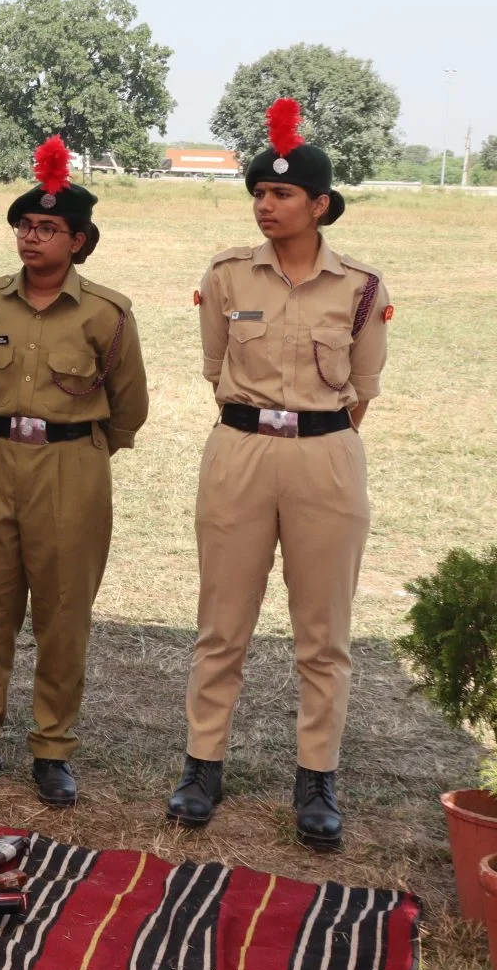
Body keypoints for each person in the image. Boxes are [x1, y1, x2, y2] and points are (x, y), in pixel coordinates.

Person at [167, 98, 390, 852]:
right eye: (259, 192)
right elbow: (215, 369)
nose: (266, 205)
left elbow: (362, 389)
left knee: (323, 633)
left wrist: (310, 436)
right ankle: (202, 766)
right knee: (221, 623)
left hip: (327, 455)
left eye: (283, 193)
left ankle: (316, 778)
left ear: (320, 205)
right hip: (240, 449)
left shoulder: (361, 285)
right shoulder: (228, 275)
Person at [0, 135, 149, 808]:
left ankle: (53, 748)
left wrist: (82, 450)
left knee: (62, 610)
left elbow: (129, 404)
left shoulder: (106, 313)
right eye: (24, 226)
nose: (31, 237)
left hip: (71, 462)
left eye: (47, 229)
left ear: (78, 241)